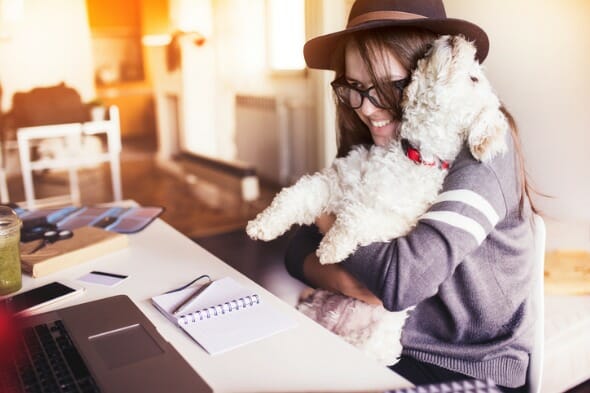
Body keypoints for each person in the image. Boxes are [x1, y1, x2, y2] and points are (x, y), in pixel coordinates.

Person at [284, 1, 538, 392]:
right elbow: (295, 246)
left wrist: (326, 216)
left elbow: (402, 283)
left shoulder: (484, 148)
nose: (367, 109)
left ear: (431, 73)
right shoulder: (380, 144)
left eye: (389, 87)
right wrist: (339, 278)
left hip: (466, 368)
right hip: (377, 346)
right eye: (354, 87)